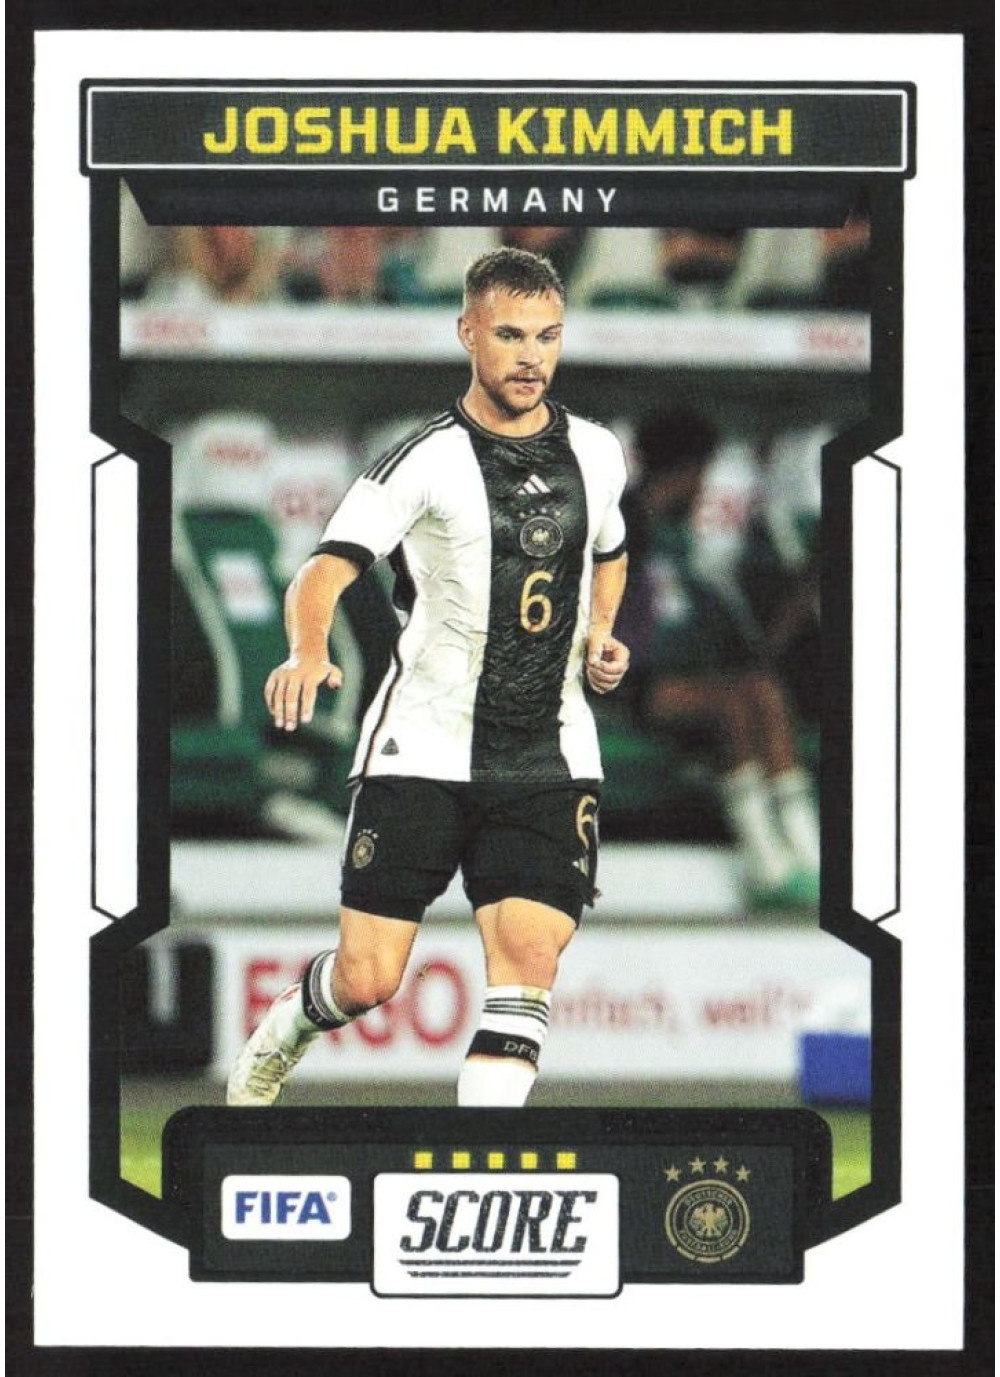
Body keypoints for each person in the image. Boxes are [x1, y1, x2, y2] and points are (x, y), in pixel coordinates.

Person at [227, 247, 631, 1107]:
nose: (531, 357)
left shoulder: (597, 453)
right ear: (467, 334)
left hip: (548, 753)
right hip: (423, 744)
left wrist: (601, 630)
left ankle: (476, 1161)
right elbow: (323, 570)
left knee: (527, 964)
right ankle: (290, 1023)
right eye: (511, 335)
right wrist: (308, 649)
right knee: (369, 977)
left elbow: (611, 549)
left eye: (548, 337)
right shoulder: (422, 460)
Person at [619, 406, 820, 909]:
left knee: (762, 691)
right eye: (702, 472)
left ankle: (807, 851)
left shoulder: (678, 532)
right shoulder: (621, 525)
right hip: (633, 685)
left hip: (687, 674)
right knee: (732, 702)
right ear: (686, 470)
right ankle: (766, 862)